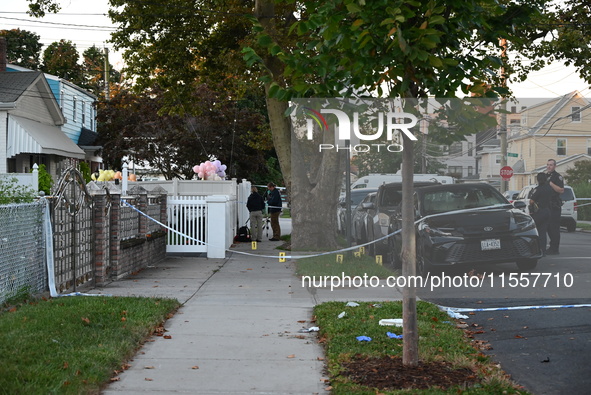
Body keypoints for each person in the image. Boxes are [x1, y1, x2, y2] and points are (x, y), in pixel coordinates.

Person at [530, 172, 552, 256]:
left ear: (538, 179)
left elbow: (531, 201)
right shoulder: (549, 188)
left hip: (539, 212)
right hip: (547, 211)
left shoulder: (538, 189)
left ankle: (535, 250)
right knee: (543, 232)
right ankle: (543, 250)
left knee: (535, 231)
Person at [545, 159, 564, 255]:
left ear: (555, 166)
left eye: (551, 165)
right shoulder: (546, 176)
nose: (549, 166)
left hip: (554, 205)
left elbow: (561, 190)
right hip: (546, 205)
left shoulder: (558, 177)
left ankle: (555, 248)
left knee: (554, 227)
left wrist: (551, 184)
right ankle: (551, 246)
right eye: (547, 165)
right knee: (548, 227)